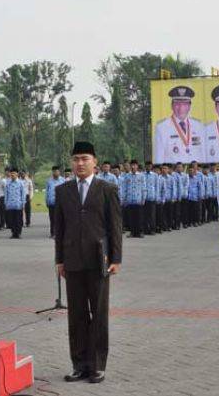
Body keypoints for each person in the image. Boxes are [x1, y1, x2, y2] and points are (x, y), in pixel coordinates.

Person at [54, 141, 122, 384]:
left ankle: (97, 365)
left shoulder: (107, 189)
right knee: (77, 315)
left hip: (99, 260)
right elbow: (59, 229)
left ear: (94, 161)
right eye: (76, 159)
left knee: (99, 314)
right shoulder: (63, 191)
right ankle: (79, 364)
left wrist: (116, 258)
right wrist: (59, 260)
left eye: (84, 158)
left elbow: (115, 227)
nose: (80, 163)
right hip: (72, 261)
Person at [154, 86, 205, 163]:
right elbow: (159, 159)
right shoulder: (162, 128)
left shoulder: (199, 126)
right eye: (177, 104)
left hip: (195, 172)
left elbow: (203, 155)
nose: (181, 108)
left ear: (189, 106)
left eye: (185, 104)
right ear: (172, 106)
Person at [120, 160, 146, 238]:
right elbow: (124, 188)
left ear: (137, 166)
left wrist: (143, 198)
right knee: (131, 217)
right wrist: (123, 198)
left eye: (135, 165)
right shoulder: (127, 176)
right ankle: (132, 232)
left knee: (139, 217)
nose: (133, 167)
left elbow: (144, 188)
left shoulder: (141, 176)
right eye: (132, 165)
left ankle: (140, 232)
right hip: (130, 199)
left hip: (138, 199)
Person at [3, 168, 26, 239]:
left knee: (18, 220)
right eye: (11, 173)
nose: (12, 175)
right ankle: (13, 233)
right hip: (10, 205)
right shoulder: (8, 183)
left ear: (17, 174)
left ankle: (18, 233)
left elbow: (23, 194)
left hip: (18, 204)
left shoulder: (20, 183)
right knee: (11, 220)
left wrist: (23, 203)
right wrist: (6, 203)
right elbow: (6, 194)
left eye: (14, 173)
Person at [45, 166, 65, 238]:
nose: (55, 173)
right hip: (52, 202)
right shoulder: (49, 181)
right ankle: (53, 233)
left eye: (57, 171)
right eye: (54, 171)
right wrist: (47, 201)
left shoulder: (63, 180)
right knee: (52, 218)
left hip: (61, 203)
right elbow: (47, 192)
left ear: (59, 172)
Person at [143, 162, 158, 235]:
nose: (148, 167)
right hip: (144, 198)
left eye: (149, 166)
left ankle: (152, 230)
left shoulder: (155, 175)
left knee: (152, 215)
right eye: (147, 166)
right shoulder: (142, 175)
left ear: (151, 167)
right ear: (145, 166)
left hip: (152, 197)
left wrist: (156, 197)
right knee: (144, 215)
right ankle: (146, 229)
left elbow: (157, 187)